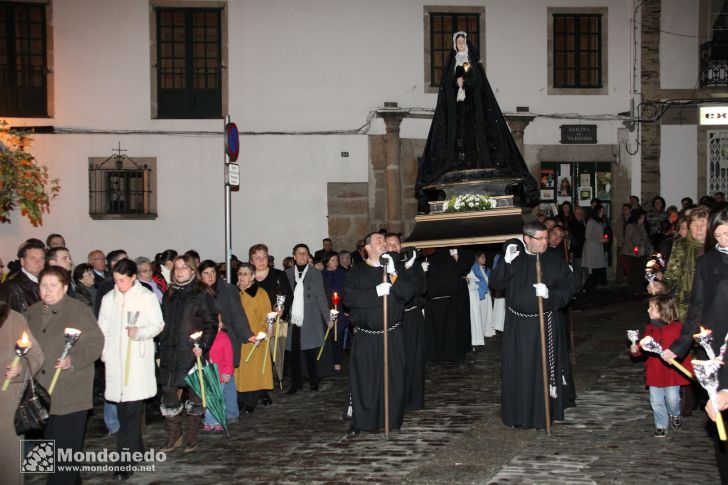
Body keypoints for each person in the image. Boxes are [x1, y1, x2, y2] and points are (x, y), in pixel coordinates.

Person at [415, 31, 537, 212]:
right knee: (457, 138)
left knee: (474, 137)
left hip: (474, 110)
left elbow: (480, 84)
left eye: (463, 41)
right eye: (458, 42)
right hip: (456, 112)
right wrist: (455, 83)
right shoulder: (452, 63)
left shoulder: (472, 63)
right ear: (455, 45)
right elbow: (445, 87)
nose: (461, 44)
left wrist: (467, 82)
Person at [489, 221, 576, 430]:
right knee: (520, 368)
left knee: (543, 369)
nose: (545, 242)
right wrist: (506, 264)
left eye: (546, 238)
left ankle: (544, 413)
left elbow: (571, 286)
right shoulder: (515, 260)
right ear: (527, 239)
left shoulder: (554, 261)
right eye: (540, 238)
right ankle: (519, 414)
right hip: (518, 325)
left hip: (544, 322)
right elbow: (496, 284)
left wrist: (550, 294)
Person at [26, 266, 104, 485]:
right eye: (43, 285)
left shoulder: (77, 310)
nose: (47, 290)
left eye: (53, 286)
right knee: (54, 449)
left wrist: (74, 359)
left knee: (64, 448)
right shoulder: (32, 311)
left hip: (70, 391)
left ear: (65, 287)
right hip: (41, 392)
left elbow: (95, 342)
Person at [97, 258, 164, 480]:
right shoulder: (109, 299)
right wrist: (105, 354)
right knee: (124, 411)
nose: (119, 285)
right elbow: (103, 329)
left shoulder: (146, 297)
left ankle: (124, 461)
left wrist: (141, 332)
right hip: (116, 364)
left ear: (133, 277)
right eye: (116, 280)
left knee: (131, 412)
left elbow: (158, 324)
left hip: (137, 363)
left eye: (123, 280)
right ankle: (139, 450)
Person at [343, 232, 415, 433]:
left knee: (393, 379)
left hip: (392, 334)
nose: (383, 243)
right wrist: (376, 292)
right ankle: (363, 421)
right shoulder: (356, 271)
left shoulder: (394, 269)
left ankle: (390, 420)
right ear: (367, 248)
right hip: (366, 336)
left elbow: (409, 294)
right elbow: (349, 299)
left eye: (384, 240)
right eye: (378, 241)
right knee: (365, 381)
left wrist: (393, 275)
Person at [158, 255, 217, 453]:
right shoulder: (169, 294)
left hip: (192, 351)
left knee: (195, 394)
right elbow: (163, 322)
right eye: (176, 268)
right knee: (168, 392)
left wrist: (203, 344)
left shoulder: (201, 294)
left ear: (193, 271)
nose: (180, 271)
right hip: (170, 351)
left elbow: (211, 324)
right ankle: (174, 435)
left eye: (184, 267)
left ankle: (191, 436)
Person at [629, 295, 691, 438]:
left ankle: (675, 414)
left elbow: (684, 346)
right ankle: (661, 425)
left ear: (663, 311)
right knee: (656, 401)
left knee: (673, 399)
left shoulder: (678, 328)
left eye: (652, 308)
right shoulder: (650, 329)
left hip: (672, 373)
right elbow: (644, 345)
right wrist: (636, 349)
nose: (648, 310)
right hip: (655, 371)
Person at [0, 302, 44, 485]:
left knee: (8, 465)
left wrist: (21, 368)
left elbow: (35, 354)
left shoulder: (12, 318)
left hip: (5, 404)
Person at [385, 233, 427, 412]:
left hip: (412, 317)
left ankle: (413, 400)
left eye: (397, 243)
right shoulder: (384, 266)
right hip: (394, 319)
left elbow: (421, 289)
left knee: (414, 360)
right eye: (390, 244)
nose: (394, 247)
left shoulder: (411, 263)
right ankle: (396, 400)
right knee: (397, 361)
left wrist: (410, 269)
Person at [284, 243, 333, 393]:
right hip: (294, 316)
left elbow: (321, 297)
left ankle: (313, 380)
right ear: (294, 256)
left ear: (308, 256)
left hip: (310, 315)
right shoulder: (287, 273)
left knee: (311, 351)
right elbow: (283, 296)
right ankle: (295, 383)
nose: (302, 256)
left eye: (305, 253)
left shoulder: (315, 273)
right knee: (294, 351)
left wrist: (327, 317)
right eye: (299, 253)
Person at [648, 205, 710, 320]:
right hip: (688, 305)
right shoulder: (681, 245)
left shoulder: (718, 245)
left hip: (713, 305)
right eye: (694, 225)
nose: (698, 229)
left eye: (703, 225)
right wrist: (661, 285)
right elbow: (672, 276)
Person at [250, 243, 293, 402]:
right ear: (251, 260)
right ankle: (258, 388)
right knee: (257, 354)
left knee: (271, 354)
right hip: (254, 322)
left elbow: (287, 295)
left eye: (264, 257)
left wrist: (280, 308)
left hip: (273, 321)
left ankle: (267, 385)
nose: (261, 260)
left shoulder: (278, 275)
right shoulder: (249, 275)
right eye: (257, 258)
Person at [198, 259, 251, 379]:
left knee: (225, 374)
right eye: (206, 273)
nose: (210, 276)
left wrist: (247, 334)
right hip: (204, 339)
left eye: (213, 272)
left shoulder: (228, 290)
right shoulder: (196, 292)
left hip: (225, 337)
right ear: (200, 275)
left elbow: (238, 314)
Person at [234, 263, 274, 413]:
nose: (242, 277)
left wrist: (268, 329)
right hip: (239, 339)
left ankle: (251, 401)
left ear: (252, 277)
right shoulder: (234, 292)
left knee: (254, 372)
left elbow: (267, 315)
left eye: (245, 274)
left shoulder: (260, 293)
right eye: (240, 274)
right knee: (240, 371)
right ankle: (239, 400)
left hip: (256, 338)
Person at [205, 314, 236, 430]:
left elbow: (229, 358)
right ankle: (209, 421)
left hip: (220, 373)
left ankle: (218, 421)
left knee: (218, 398)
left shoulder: (224, 338)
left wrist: (227, 372)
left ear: (220, 324)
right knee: (209, 398)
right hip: (208, 373)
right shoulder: (205, 337)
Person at [321, 251, 349, 372]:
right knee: (328, 336)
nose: (336, 263)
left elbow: (347, 291)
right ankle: (328, 361)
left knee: (339, 336)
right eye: (333, 260)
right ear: (326, 262)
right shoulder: (321, 275)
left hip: (340, 310)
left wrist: (347, 308)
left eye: (336, 260)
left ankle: (337, 361)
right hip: (326, 309)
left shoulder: (342, 274)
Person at [0, 239, 44, 313]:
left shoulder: (47, 283)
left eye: (41, 258)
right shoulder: (11, 287)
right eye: (33, 258)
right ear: (22, 261)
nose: (38, 262)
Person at [622, 210, 651, 296]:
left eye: (644, 218)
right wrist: (633, 249)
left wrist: (643, 245)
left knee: (640, 271)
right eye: (641, 218)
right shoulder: (630, 226)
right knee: (633, 272)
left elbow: (645, 238)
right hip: (630, 254)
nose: (643, 220)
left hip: (640, 253)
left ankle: (639, 289)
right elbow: (627, 240)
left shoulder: (642, 226)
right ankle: (634, 290)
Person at [581, 204, 608, 292]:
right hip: (591, 248)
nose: (603, 212)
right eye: (601, 210)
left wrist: (604, 239)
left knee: (597, 269)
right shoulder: (591, 222)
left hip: (597, 247)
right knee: (593, 270)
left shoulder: (599, 221)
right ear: (597, 211)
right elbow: (587, 236)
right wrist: (600, 239)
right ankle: (587, 289)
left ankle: (591, 289)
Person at [471, 250, 495, 340]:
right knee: (482, 314)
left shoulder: (487, 269)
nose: (484, 259)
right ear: (477, 259)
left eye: (484, 257)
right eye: (482, 257)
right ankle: (481, 332)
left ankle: (488, 331)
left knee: (489, 313)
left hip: (487, 294)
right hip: (480, 295)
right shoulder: (474, 269)